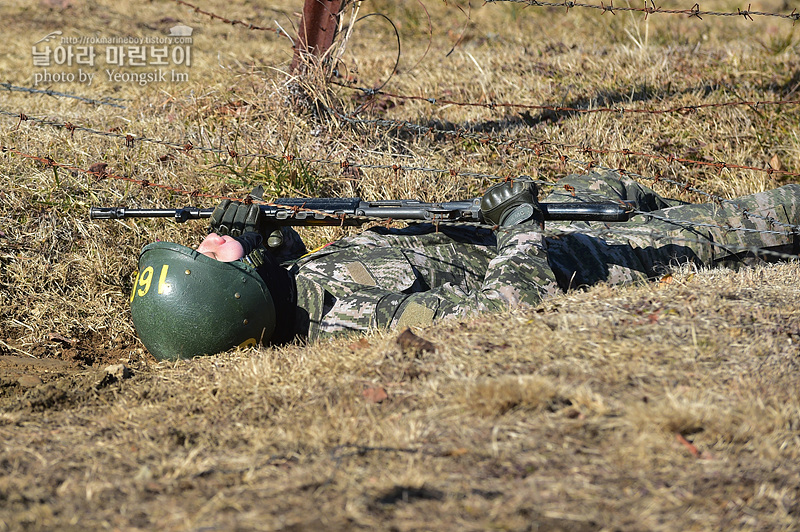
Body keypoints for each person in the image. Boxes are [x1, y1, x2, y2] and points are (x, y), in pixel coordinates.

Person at [129, 170, 800, 360]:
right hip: (581, 260)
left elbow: (305, 275)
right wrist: (519, 230)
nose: (206, 241)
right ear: (236, 299)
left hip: (539, 220)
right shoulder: (363, 321)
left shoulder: (288, 293)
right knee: (745, 224)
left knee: (618, 186)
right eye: (207, 256)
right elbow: (503, 312)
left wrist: (266, 239)